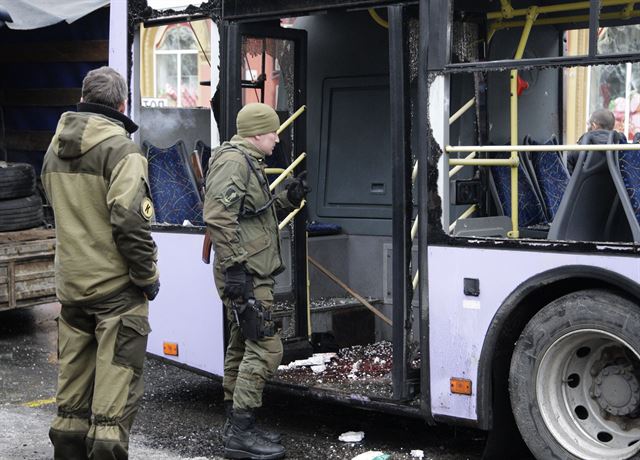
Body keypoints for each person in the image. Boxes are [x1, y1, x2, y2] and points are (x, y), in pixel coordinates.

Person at [41, 66, 160, 460]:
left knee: (71, 400)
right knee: (113, 401)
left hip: (71, 286)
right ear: (122, 103)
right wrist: (147, 277)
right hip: (115, 292)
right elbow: (130, 222)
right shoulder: (122, 150)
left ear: (84, 96)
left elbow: (53, 208)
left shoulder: (53, 149)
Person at [204, 102, 309, 460]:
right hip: (245, 273)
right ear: (255, 134)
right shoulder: (235, 162)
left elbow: (253, 217)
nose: (277, 139)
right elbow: (218, 217)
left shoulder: (249, 162)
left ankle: (237, 427)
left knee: (241, 344)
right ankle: (241, 433)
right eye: (272, 133)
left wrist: (287, 198)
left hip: (249, 269)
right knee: (266, 347)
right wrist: (235, 270)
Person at [568, 108, 626, 174]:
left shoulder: (578, 150)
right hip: (615, 184)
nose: (588, 127)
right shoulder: (622, 147)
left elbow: (570, 178)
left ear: (594, 126)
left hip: (585, 184)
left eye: (588, 124)